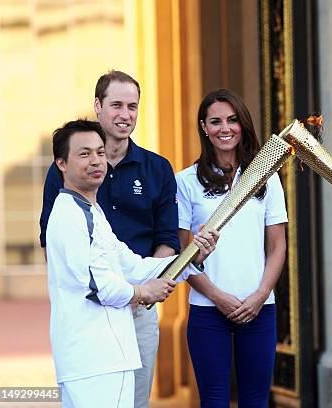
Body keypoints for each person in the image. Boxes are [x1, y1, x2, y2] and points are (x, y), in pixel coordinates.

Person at [46, 119, 218, 407]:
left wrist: (192, 257)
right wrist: (142, 293)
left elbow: (134, 266)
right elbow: (98, 285)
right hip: (94, 360)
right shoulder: (70, 216)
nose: (96, 161)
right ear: (61, 164)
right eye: (84, 154)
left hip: (107, 358)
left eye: (100, 153)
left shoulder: (92, 212)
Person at [39, 70, 179, 408]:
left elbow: (144, 254)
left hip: (129, 320)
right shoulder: (70, 201)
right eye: (116, 104)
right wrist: (138, 292)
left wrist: (192, 258)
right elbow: (92, 279)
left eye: (132, 106)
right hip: (92, 334)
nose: (125, 114)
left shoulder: (102, 205)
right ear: (98, 106)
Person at [176, 89, 288, 407]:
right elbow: (181, 253)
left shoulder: (265, 177)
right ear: (204, 127)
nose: (225, 128)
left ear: (243, 124)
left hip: (259, 308)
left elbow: (277, 246)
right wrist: (216, 296)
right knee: (213, 401)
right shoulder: (185, 182)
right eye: (216, 121)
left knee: (256, 401)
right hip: (207, 310)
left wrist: (260, 295)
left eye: (232, 120)